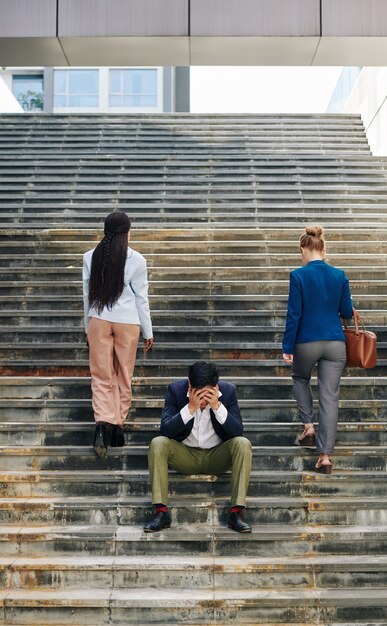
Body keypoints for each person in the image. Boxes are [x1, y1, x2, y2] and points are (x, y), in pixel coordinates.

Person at [144, 361, 252, 533]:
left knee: (243, 443)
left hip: (217, 455)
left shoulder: (229, 391)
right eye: (199, 394)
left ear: (216, 387)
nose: (203, 401)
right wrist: (190, 408)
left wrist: (217, 406)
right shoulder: (176, 390)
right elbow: (165, 429)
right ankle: (161, 512)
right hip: (185, 455)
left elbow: (238, 430)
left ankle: (236, 512)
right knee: (157, 443)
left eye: (207, 395)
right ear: (190, 385)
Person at [282, 226, 354, 474]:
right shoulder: (340, 275)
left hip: (306, 341)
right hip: (335, 343)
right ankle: (324, 456)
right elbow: (346, 312)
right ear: (323, 248)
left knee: (300, 377)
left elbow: (294, 314)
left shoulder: (298, 275)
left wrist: (287, 346)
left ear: (304, 249)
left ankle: (308, 427)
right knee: (329, 396)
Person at [82, 211, 154, 458]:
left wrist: (86, 325)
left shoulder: (90, 257)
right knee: (124, 373)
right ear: (127, 232)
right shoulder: (137, 259)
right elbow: (141, 298)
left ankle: (102, 424)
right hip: (128, 321)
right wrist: (148, 330)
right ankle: (118, 426)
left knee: (101, 376)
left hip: (98, 318)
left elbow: (86, 296)